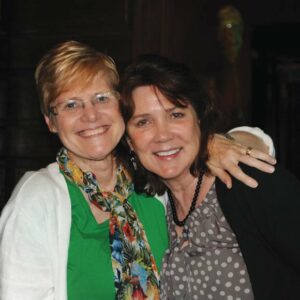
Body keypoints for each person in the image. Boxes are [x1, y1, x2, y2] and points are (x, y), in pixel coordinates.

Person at [0, 41, 275, 300]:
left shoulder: (152, 175)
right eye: (71, 105)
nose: (91, 115)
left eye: (101, 98)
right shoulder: (37, 199)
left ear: (121, 106)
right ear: (50, 121)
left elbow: (260, 146)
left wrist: (215, 143)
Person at [120, 54, 300, 299]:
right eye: (143, 122)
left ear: (199, 119)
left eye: (176, 115)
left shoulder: (247, 184)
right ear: (130, 141)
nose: (162, 135)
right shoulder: (153, 208)